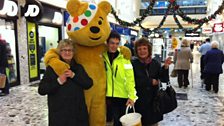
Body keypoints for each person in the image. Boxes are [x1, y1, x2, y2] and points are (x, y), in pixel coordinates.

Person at [38, 39, 93, 126]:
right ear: (60, 52)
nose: (67, 52)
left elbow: (89, 84)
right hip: (59, 115)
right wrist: (58, 81)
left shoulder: (78, 68)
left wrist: (74, 76)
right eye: (64, 50)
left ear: (73, 52)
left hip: (77, 114)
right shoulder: (52, 68)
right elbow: (42, 90)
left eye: (70, 50)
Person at [132, 37, 171, 126]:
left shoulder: (155, 63)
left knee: (152, 123)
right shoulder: (133, 64)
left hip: (153, 102)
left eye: (144, 48)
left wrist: (165, 67)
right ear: (136, 51)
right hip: (138, 101)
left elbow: (163, 79)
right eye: (139, 49)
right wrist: (149, 81)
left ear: (149, 49)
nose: (142, 51)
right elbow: (131, 81)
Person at [103, 30, 138, 126]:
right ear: (107, 43)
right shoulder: (102, 57)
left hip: (122, 97)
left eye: (117, 43)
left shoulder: (125, 59)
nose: (114, 46)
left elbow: (130, 78)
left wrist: (132, 96)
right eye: (112, 43)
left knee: (120, 122)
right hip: (107, 96)